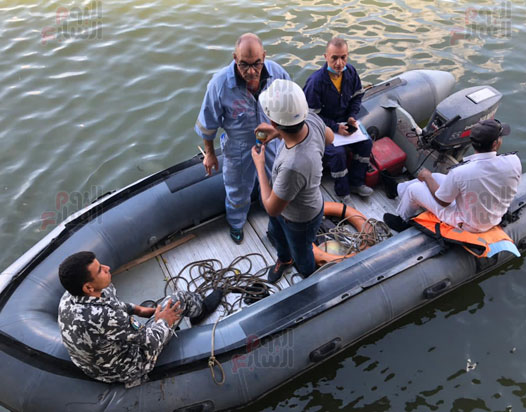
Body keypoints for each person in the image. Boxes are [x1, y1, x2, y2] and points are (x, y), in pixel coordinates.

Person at [57, 251, 222, 387]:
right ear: (88, 287)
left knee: (155, 313)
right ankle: (201, 311)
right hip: (128, 366)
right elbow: (150, 341)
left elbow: (110, 303)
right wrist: (164, 321)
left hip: (95, 365)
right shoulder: (107, 317)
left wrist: (137, 310)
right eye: (100, 269)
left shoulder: (69, 297)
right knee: (178, 300)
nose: (107, 268)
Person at [195, 33, 291, 244]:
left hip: (272, 141)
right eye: (243, 65)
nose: (251, 71)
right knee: (237, 189)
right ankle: (237, 222)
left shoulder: (278, 74)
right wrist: (210, 154)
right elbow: (208, 123)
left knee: (277, 180)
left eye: (256, 64)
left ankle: (273, 213)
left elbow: (290, 105)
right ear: (234, 59)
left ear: (264, 56)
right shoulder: (219, 85)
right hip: (239, 146)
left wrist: (284, 134)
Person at [251, 79, 334, 283]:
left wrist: (260, 165)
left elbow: (272, 208)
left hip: (299, 219)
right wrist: (278, 133)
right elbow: (330, 138)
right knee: (277, 234)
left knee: (302, 251)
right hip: (291, 206)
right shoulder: (313, 119)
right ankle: (284, 259)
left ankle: (307, 275)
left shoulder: (292, 165)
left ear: (273, 121)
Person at [383, 119, 522, 233]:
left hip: (468, 223)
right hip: (490, 215)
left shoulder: (461, 172)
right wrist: (431, 178)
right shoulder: (514, 161)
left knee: (415, 189)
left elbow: (443, 202)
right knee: (437, 176)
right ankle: (398, 189)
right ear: (495, 144)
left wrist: (427, 177)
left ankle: (402, 220)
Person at [303, 37, 373, 203]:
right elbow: (311, 116)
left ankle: (357, 182)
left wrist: (351, 117)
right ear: (325, 57)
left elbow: (357, 97)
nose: (339, 63)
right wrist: (335, 127)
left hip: (344, 123)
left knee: (366, 143)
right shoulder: (316, 82)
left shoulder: (351, 72)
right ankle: (342, 193)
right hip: (322, 129)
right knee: (338, 153)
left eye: (343, 57)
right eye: (334, 58)